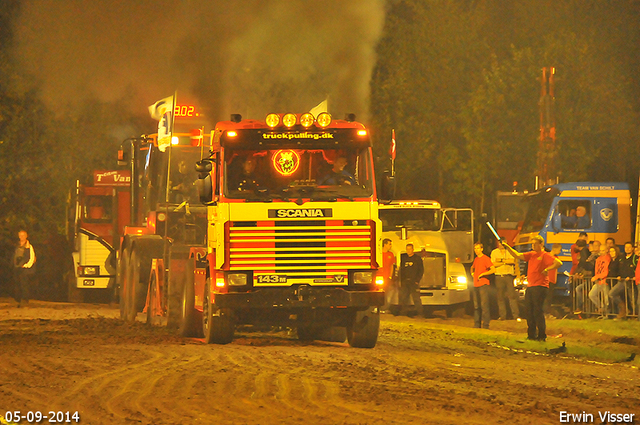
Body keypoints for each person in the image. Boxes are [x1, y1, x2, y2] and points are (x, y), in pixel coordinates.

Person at [503, 235, 562, 341]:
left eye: (535, 244)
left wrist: (548, 269)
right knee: (529, 311)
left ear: (541, 244)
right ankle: (531, 335)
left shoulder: (544, 255)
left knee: (537, 311)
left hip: (540, 286)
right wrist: (507, 246)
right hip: (531, 286)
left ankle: (541, 335)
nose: (533, 245)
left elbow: (558, 263)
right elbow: (517, 255)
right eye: (532, 244)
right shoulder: (531, 254)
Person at [490, 241, 519, 321]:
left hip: (508, 276)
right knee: (500, 297)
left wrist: (500, 260)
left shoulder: (509, 251)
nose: (501, 245)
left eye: (502, 243)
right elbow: (493, 264)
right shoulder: (494, 252)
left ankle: (515, 315)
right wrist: (505, 261)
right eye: (499, 243)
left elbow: (512, 261)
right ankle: (502, 316)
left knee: (512, 296)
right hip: (499, 276)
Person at [609, 242, 635, 318]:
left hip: (631, 282)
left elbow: (636, 269)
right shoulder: (621, 258)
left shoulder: (635, 258)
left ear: (632, 248)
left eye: (629, 247)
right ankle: (623, 308)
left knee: (632, 299)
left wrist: (630, 277)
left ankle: (634, 314)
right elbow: (618, 269)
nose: (627, 249)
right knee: (612, 293)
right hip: (622, 281)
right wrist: (618, 275)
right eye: (626, 247)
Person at [472, 243, 494, 329]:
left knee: (484, 305)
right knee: (476, 305)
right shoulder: (476, 259)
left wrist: (483, 274)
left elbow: (493, 269)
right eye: (475, 248)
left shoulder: (486, 259)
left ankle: (485, 324)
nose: (476, 250)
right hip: (476, 284)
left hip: (483, 284)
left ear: (482, 249)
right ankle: (477, 324)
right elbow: (472, 267)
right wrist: (472, 273)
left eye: (477, 248)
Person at [12, 230, 36, 307]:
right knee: (17, 283)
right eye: (20, 235)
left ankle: (25, 298)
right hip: (17, 267)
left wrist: (26, 265)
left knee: (24, 284)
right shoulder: (16, 245)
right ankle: (18, 298)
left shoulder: (29, 246)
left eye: (23, 235)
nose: (21, 237)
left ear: (26, 236)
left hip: (25, 269)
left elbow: (32, 258)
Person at [399, 243, 423, 318]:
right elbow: (401, 270)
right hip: (405, 282)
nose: (408, 251)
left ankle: (420, 313)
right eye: (407, 249)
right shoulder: (404, 259)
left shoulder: (417, 259)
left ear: (413, 250)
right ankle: (403, 313)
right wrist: (402, 280)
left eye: (410, 249)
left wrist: (417, 280)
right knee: (404, 298)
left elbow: (421, 270)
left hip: (414, 282)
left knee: (416, 298)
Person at [588, 244, 612, 315]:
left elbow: (606, 271)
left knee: (606, 298)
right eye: (600, 250)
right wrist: (596, 277)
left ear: (607, 250)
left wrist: (597, 277)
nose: (601, 252)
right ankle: (602, 308)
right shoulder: (598, 259)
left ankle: (607, 314)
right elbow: (596, 270)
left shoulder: (608, 258)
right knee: (591, 294)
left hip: (605, 281)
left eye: (603, 250)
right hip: (599, 281)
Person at [544, 243, 562, 316]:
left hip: (552, 280)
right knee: (547, 298)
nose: (560, 251)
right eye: (559, 250)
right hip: (548, 280)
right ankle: (546, 313)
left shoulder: (553, 257)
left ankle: (546, 313)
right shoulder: (549, 257)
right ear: (555, 249)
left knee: (549, 297)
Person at [380, 239, 397, 313]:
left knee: (387, 292)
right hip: (379, 277)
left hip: (387, 277)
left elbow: (391, 266)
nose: (391, 246)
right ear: (385, 244)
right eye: (389, 244)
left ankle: (384, 307)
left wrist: (390, 276)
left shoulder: (391, 254)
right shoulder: (379, 253)